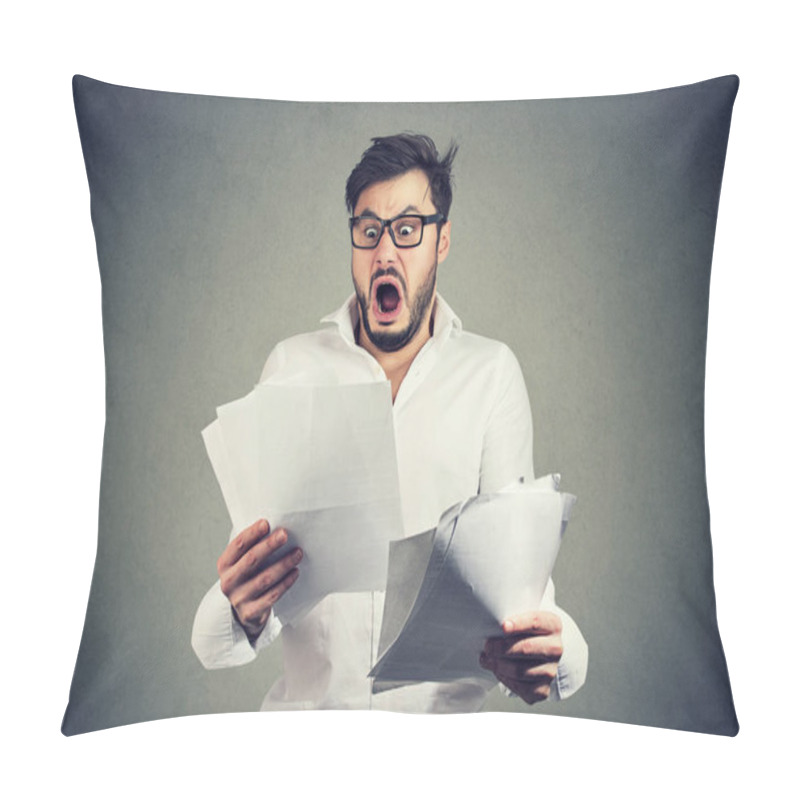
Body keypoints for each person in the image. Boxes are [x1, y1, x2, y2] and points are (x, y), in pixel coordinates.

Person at [192, 134, 588, 711]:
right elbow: (228, 625)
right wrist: (239, 606)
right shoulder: (292, 366)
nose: (385, 253)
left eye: (407, 230)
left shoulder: (491, 374)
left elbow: (520, 595)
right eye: (369, 230)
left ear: (442, 240)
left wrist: (555, 654)